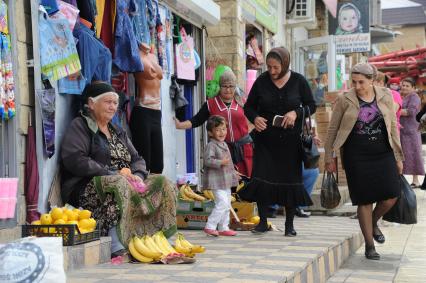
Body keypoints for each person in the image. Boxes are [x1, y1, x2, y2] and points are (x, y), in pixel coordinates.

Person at [61, 82, 177, 258]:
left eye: (115, 103)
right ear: (91, 104)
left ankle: (163, 239)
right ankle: (117, 244)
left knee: (162, 182)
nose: (113, 106)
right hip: (87, 186)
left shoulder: (117, 130)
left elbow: (137, 158)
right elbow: (75, 159)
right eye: (108, 102)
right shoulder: (80, 125)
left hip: (124, 180)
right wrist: (110, 173)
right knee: (118, 182)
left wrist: (137, 175)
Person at [324, 63, 403, 260]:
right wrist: (329, 157)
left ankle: (373, 221)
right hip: (356, 156)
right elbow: (332, 129)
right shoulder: (345, 99)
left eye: (362, 82)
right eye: (354, 82)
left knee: (392, 195)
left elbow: (393, 126)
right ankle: (369, 245)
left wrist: (399, 157)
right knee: (364, 200)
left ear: (373, 80)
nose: (357, 86)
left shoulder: (385, 95)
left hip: (383, 152)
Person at [243, 47, 315, 236]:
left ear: (285, 64)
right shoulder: (261, 81)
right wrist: (255, 118)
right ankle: (263, 222)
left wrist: (296, 113)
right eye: (269, 67)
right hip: (265, 140)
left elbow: (311, 105)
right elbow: (248, 107)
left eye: (276, 67)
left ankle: (289, 225)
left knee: (290, 180)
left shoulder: (299, 81)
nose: (272, 71)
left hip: (291, 143)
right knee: (262, 178)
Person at [174, 69, 253, 177]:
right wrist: (180, 125)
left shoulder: (243, 103)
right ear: (220, 86)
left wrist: (250, 134)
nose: (228, 90)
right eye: (225, 86)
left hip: (243, 151)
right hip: (220, 152)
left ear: (235, 87)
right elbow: (197, 120)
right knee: (224, 186)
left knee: (245, 184)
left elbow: (255, 120)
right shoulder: (211, 104)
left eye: (231, 86)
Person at [129, 43, 164, 174]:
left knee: (158, 164)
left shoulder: (153, 56)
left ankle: (156, 193)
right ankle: (142, 192)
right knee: (144, 163)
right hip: (143, 110)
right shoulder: (136, 54)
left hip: (156, 112)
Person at [202, 115, 239, 237]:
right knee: (222, 203)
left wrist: (234, 173)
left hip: (226, 180)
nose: (221, 132)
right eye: (217, 130)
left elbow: (229, 162)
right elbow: (207, 160)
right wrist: (220, 162)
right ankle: (210, 226)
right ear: (210, 133)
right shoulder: (211, 145)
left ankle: (223, 227)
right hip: (216, 181)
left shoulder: (224, 144)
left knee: (227, 203)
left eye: (223, 129)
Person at [399, 77, 425, 187]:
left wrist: (393, 110)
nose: (404, 87)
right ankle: (405, 181)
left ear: (413, 88)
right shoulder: (403, 96)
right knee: (404, 156)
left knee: (414, 154)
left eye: (407, 86)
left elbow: (410, 111)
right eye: (403, 85)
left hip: (411, 131)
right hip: (403, 130)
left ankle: (416, 180)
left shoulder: (414, 97)